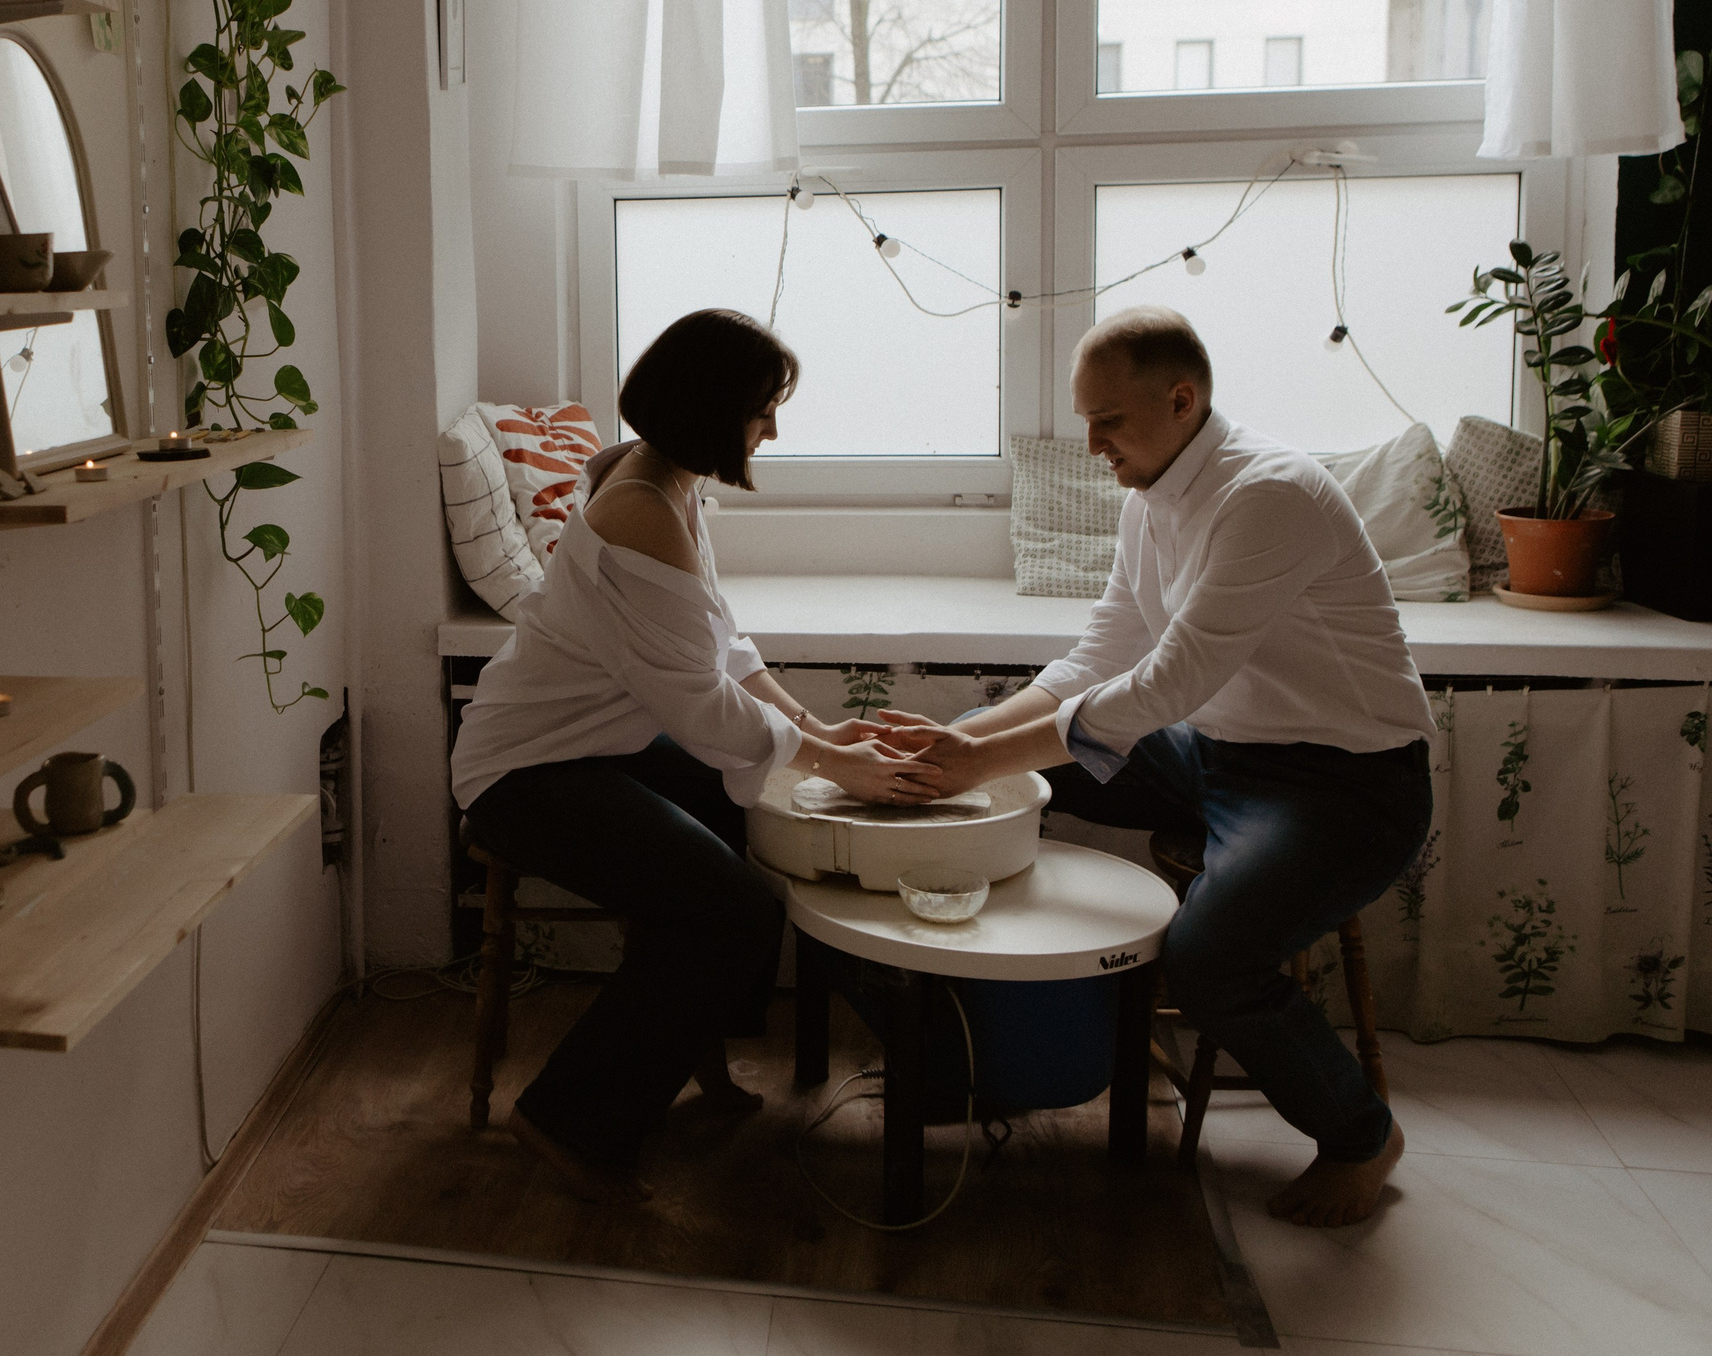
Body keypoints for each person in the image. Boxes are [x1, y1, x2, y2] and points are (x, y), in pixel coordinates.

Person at [884, 306, 1432, 1227]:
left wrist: (978, 758)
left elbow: (1165, 682)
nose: (1092, 444)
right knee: (991, 742)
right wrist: (969, 742)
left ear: (1183, 401)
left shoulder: (1270, 494)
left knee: (1212, 957)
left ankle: (1361, 1136)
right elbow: (1099, 655)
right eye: (1085, 421)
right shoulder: (1151, 493)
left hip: (1344, 786)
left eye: (1108, 422)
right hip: (1217, 752)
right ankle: (983, 1046)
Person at [450, 308, 942, 1204]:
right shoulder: (638, 511)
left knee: (737, 811)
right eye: (763, 408)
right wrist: (832, 766)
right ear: (713, 407)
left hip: (594, 743)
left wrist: (823, 734)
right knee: (735, 912)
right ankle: (569, 1116)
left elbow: (725, 646)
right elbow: (706, 709)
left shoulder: (667, 481)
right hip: (525, 773)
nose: (774, 428)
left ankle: (696, 1051)